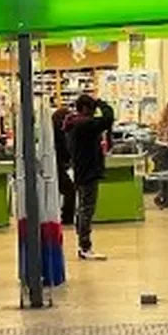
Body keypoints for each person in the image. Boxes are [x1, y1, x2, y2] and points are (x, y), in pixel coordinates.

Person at [64, 94, 115, 260]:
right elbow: (108, 118)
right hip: (89, 171)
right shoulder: (85, 124)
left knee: (82, 208)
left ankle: (82, 242)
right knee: (87, 209)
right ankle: (85, 246)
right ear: (86, 108)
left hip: (80, 170)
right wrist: (101, 102)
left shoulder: (72, 124)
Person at [51, 104, 75, 226]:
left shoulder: (52, 132)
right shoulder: (61, 133)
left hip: (53, 165)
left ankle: (62, 215)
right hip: (56, 166)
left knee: (62, 190)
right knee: (70, 190)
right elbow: (65, 151)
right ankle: (67, 217)